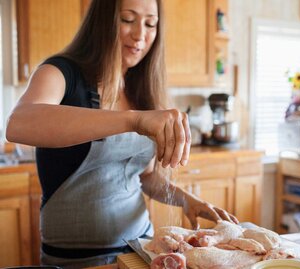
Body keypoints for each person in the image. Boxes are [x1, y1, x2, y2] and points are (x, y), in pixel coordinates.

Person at [6, 0, 239, 268]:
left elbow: (146, 177)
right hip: (76, 260)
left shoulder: (142, 88)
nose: (140, 34)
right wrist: (134, 120)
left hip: (140, 249)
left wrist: (188, 200)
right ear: (102, 22)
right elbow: (18, 123)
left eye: (151, 23)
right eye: (128, 19)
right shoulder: (60, 73)